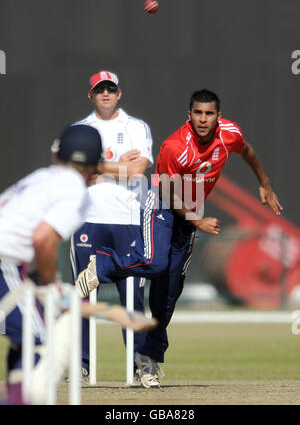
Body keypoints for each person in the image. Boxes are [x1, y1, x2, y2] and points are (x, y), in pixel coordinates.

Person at [76, 89, 282, 388]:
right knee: (153, 261)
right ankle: (103, 266)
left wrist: (264, 183)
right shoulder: (175, 146)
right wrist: (197, 219)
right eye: (197, 113)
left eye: (209, 114)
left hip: (191, 207)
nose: (202, 119)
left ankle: (148, 361)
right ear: (189, 115)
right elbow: (168, 192)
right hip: (163, 204)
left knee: (168, 294)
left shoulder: (230, 133)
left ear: (218, 117)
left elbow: (247, 150)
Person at [0, 124, 102, 404]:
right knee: (41, 341)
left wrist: (34, 275)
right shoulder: (76, 190)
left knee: (27, 337)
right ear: (95, 165)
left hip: (10, 261)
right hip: (4, 260)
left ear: (58, 154)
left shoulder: (42, 176)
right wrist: (50, 282)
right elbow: (43, 237)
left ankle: (16, 396)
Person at [70, 70, 153, 377]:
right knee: (82, 294)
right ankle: (80, 364)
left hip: (127, 221)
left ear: (119, 94)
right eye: (100, 90)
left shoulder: (134, 127)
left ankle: (142, 363)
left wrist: (96, 165)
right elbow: (75, 174)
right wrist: (119, 165)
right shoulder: (80, 129)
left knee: (132, 296)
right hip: (88, 219)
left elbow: (137, 172)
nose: (106, 94)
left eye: (111, 89)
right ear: (91, 95)